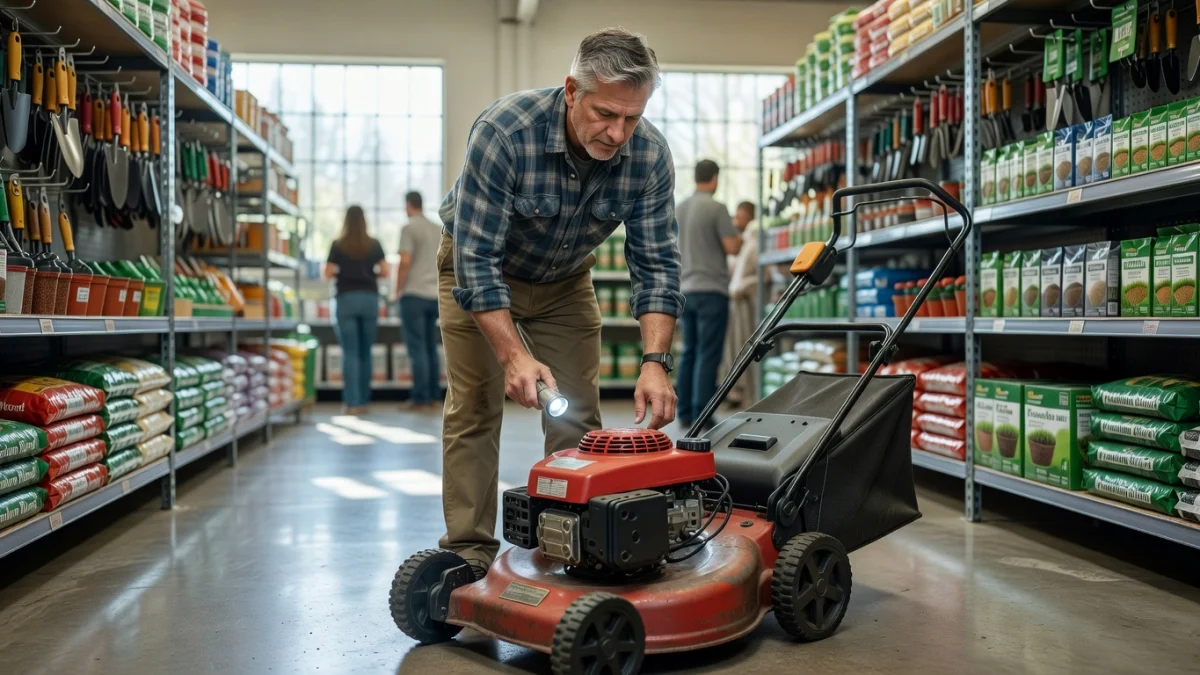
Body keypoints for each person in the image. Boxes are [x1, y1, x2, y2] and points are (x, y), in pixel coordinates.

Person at [436, 27, 682, 578]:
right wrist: (512, 357)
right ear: (572, 90)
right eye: (605, 114)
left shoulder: (649, 157)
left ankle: (575, 540)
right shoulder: (505, 132)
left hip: (566, 281)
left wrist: (654, 363)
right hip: (479, 270)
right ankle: (467, 553)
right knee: (474, 408)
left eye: (632, 118)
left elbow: (658, 266)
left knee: (576, 417)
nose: (618, 133)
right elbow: (476, 263)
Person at [675, 160, 741, 429]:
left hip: (685, 290)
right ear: (714, 178)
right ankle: (704, 412)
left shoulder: (679, 208)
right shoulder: (717, 207)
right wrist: (740, 233)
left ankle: (685, 412)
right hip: (711, 290)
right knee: (708, 353)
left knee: (689, 351)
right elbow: (732, 247)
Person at [321, 206, 389, 415]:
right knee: (365, 351)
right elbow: (385, 270)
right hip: (369, 299)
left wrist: (343, 272)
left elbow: (328, 272)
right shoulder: (374, 243)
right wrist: (370, 273)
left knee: (350, 351)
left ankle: (352, 403)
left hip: (346, 299)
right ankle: (364, 401)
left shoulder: (338, 244)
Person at [391, 191, 442, 411]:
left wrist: (398, 290)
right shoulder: (438, 228)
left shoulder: (409, 227)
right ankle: (433, 395)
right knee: (432, 347)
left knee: (417, 348)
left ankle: (420, 398)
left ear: (408, 206)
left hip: (414, 295)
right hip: (436, 296)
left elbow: (405, 261)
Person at [720, 201, 759, 408]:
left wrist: (742, 286)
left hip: (748, 304)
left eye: (741, 215)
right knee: (733, 350)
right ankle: (735, 393)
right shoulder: (740, 242)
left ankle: (746, 395)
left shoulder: (755, 242)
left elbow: (763, 276)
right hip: (735, 302)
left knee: (745, 348)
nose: (737, 219)